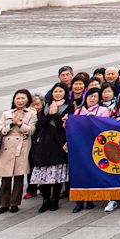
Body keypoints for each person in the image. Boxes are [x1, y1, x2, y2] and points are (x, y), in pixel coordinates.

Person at [29, 84, 70, 214]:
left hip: (59, 142)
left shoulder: (69, 106)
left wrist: (55, 113)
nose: (58, 94)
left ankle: (54, 199)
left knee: (57, 172)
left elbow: (61, 125)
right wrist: (49, 113)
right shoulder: (46, 106)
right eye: (55, 91)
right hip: (44, 143)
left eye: (60, 91)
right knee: (43, 172)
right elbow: (39, 125)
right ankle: (45, 199)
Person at [0, 89, 34, 214]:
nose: (20, 101)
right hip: (6, 146)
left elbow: (31, 130)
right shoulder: (7, 113)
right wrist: (10, 125)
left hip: (21, 146)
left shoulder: (31, 113)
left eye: (23, 98)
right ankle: (4, 203)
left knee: (18, 176)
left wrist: (20, 124)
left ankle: (14, 203)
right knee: (5, 177)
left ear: (27, 100)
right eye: (18, 98)